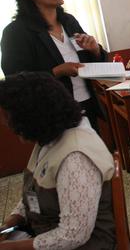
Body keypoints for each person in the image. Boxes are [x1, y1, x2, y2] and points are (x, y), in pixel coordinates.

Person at [0, 72, 116, 249]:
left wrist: (10, 247)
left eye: (8, 117)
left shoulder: (75, 158)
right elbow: (35, 192)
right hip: (45, 230)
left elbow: (73, 236)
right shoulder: (48, 138)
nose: (5, 123)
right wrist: (11, 222)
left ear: (32, 116)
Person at [1, 0, 108, 131]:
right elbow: (15, 81)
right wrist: (57, 71)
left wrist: (95, 50)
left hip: (87, 104)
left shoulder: (69, 21)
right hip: (52, 113)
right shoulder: (16, 32)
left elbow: (93, 60)